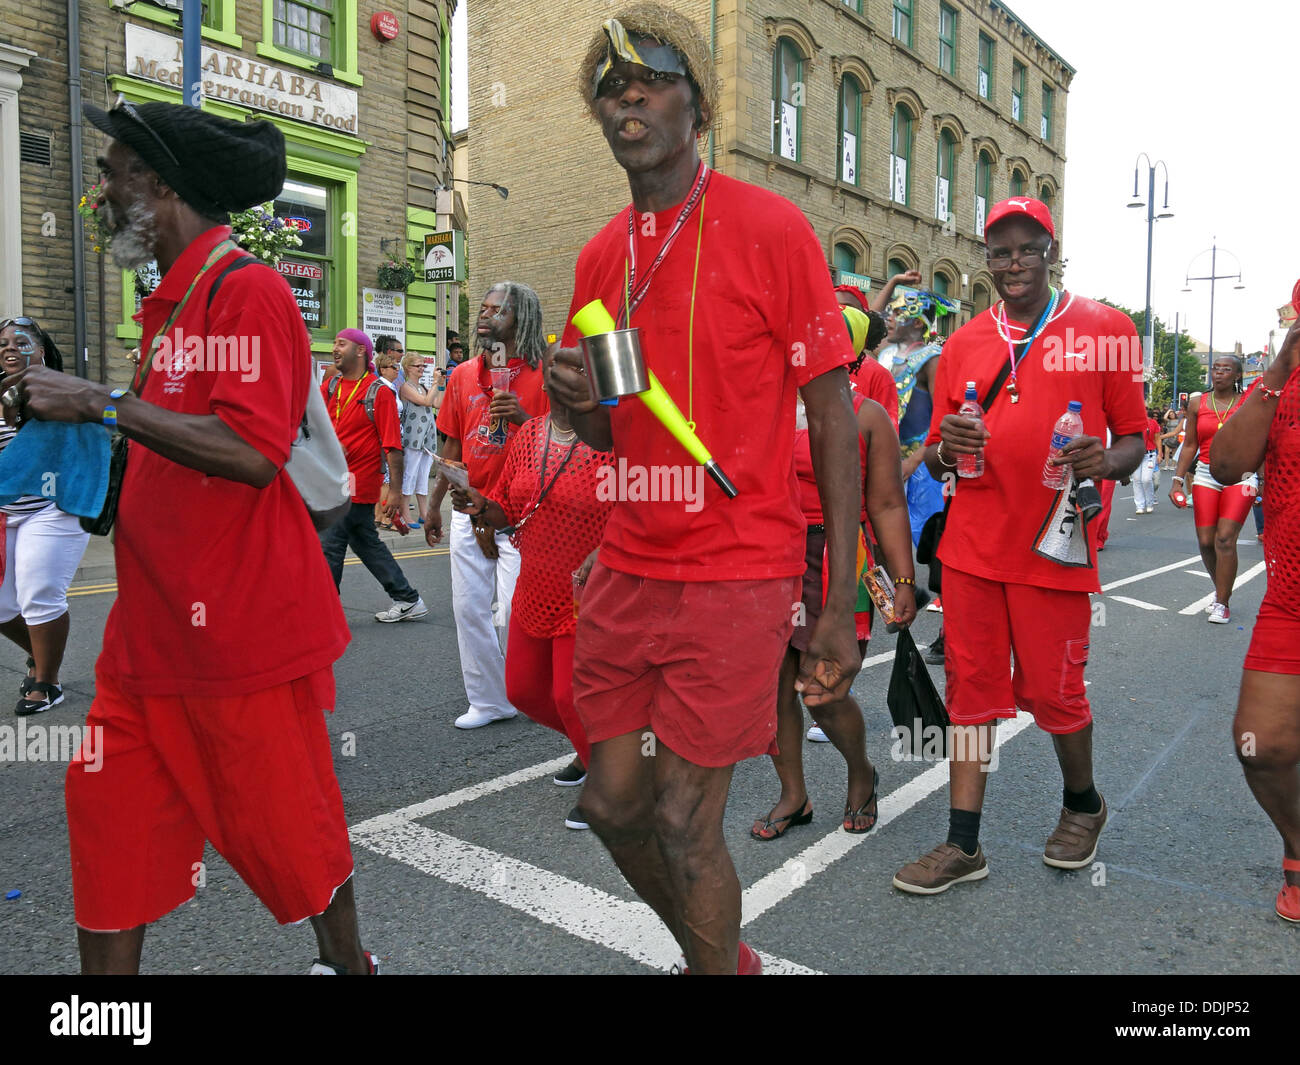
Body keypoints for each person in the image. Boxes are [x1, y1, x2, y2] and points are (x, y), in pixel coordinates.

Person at [16, 99, 374, 973]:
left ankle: (348, 963)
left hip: (243, 641)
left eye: (112, 173)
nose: (100, 192)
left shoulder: (244, 289)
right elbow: (166, 441)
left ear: (161, 185)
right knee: (108, 829)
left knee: (292, 835)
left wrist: (100, 400)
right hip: (147, 638)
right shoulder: (167, 305)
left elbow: (254, 453)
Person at [547, 5, 862, 975]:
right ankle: (718, 958)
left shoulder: (772, 230)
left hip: (736, 572)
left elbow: (834, 418)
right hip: (629, 569)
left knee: (686, 820)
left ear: (699, 104)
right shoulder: (603, 258)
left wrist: (841, 602)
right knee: (609, 805)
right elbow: (609, 429)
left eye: (649, 79)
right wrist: (574, 402)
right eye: (609, 86)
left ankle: (711, 967)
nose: (625, 96)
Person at [893, 196, 1145, 895]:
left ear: (1050, 250)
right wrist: (946, 448)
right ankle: (963, 843)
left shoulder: (1105, 328)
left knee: (1053, 692)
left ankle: (1082, 802)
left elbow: (1134, 440)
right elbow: (942, 456)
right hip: (973, 547)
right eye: (999, 251)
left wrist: (1106, 461)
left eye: (1026, 248)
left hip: (1055, 545)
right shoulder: (967, 342)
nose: (1012, 263)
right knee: (970, 691)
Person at [751, 330, 917, 839]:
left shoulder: (867, 415)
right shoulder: (764, 408)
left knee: (821, 691)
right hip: (771, 557)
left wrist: (904, 578)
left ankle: (861, 773)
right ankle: (793, 795)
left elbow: (886, 503)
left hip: (837, 557)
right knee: (773, 689)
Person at [449, 345, 616, 827]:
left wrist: (603, 552)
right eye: (558, 367)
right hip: (535, 584)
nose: (564, 375)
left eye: (577, 368)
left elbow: (637, 511)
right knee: (523, 691)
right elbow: (508, 507)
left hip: (588, 591)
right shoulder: (530, 434)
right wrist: (479, 505)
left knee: (569, 695)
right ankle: (591, 751)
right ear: (546, 382)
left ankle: (612, 784)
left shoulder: (611, 441)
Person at [426, 282, 548, 729]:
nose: (485, 316)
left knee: (515, 610)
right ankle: (488, 700)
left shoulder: (546, 372)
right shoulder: (462, 375)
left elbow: (568, 443)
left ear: (522, 318)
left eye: (497, 310)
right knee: (468, 607)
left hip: (525, 513)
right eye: (482, 308)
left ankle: (527, 689)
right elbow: (452, 443)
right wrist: (436, 502)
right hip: (468, 506)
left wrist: (524, 419)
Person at [1211, 318, 1300, 922]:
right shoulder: (1281, 383)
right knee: (1260, 745)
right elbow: (1225, 464)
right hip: (1293, 596)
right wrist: (1279, 368)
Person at [0, 317, 90, 714]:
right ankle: (40, 654)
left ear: (41, 349)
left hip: (53, 508)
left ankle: (47, 681)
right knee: (2, 606)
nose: (9, 348)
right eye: (2, 343)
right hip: (7, 510)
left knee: (39, 595)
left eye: (20, 341)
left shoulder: (61, 390)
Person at [321, 328, 426, 620]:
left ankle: (322, 614)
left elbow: (393, 446)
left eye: (341, 343)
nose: (334, 348)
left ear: (360, 351)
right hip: (333, 481)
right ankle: (407, 598)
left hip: (359, 482)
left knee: (330, 544)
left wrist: (394, 491)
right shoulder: (330, 387)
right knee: (364, 541)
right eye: (334, 342)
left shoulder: (378, 392)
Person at [1170, 355, 1255, 624]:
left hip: (1242, 476)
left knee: (1225, 538)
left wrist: (1261, 480)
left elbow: (1261, 441)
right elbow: (1191, 444)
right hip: (1206, 473)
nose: (1218, 373)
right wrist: (1177, 480)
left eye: (1226, 369)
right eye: (1216, 368)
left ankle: (1222, 602)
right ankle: (1221, 589)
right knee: (1206, 541)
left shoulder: (1248, 402)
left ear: (1237, 375)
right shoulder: (1197, 403)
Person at [399, 352, 439, 528]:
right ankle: (405, 513)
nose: (422, 368)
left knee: (423, 475)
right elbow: (426, 402)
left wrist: (441, 386)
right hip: (413, 436)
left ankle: (424, 512)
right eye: (418, 366)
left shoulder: (423, 386)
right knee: (410, 474)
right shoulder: (406, 387)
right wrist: (436, 382)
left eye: (423, 366)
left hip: (428, 436)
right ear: (408, 368)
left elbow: (438, 403)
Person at [374, 349, 403, 529]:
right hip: (387, 438)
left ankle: (378, 516)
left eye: (398, 367)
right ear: (382, 369)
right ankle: (386, 518)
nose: (397, 370)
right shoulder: (382, 388)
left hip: (393, 435)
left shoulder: (391, 387)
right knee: (387, 480)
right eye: (393, 367)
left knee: (384, 479)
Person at [1132, 406, 1161, 514]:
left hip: (1149, 455)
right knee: (1136, 479)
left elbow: (1157, 438)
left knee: (1146, 479)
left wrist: (1160, 453)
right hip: (1136, 455)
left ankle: (1149, 502)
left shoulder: (1153, 423)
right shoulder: (1132, 423)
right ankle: (1139, 505)